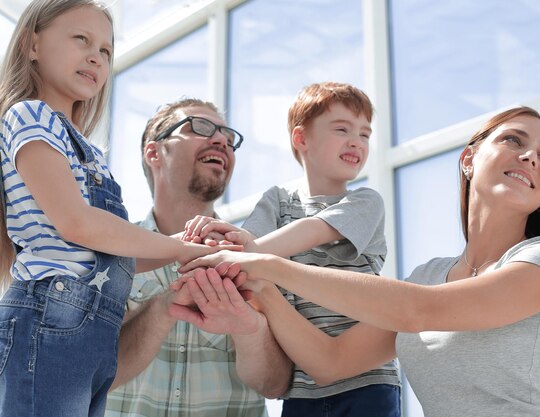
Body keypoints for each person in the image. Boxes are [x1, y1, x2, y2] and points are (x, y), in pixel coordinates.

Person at [176, 106, 540, 417]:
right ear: (468, 160)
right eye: (514, 140)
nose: (532, 156)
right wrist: (263, 290)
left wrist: (266, 263)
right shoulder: (429, 275)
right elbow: (329, 363)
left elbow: (420, 310)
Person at [0, 2, 228, 416]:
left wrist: (188, 246)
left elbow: (108, 254)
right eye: (81, 39)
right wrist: (179, 250)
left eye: (105, 50)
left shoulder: (89, 150)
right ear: (33, 44)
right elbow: (76, 223)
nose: (95, 56)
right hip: (48, 321)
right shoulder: (31, 115)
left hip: (92, 334)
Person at [181, 82, 401, 417]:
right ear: (301, 140)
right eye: (342, 129)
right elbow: (246, 245)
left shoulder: (365, 201)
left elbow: (309, 232)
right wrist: (217, 244)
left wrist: (238, 253)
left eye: (365, 134)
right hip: (301, 386)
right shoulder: (278, 201)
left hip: (367, 381)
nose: (356, 141)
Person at [104, 98, 292, 417]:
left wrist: (250, 328)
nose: (221, 140)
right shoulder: (111, 255)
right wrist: (166, 305)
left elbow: (273, 385)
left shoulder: (255, 259)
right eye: (201, 127)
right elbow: (95, 376)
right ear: (155, 153)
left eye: (229, 139)